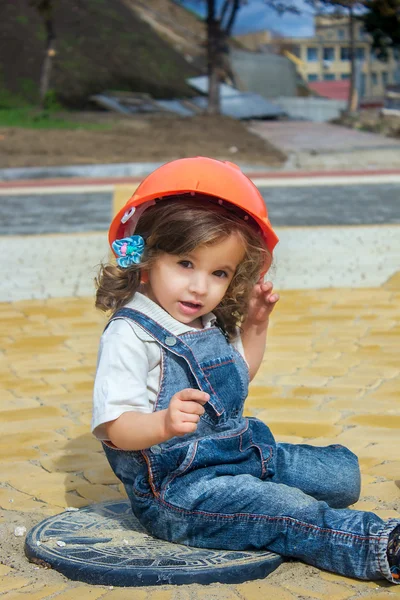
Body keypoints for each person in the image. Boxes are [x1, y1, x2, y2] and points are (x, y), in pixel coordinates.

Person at [92, 157, 400, 583]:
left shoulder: (204, 321)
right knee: (290, 514)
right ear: (147, 259)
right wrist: (163, 422)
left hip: (242, 455)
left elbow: (238, 377)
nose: (200, 287)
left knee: (342, 476)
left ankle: (265, 493)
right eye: (185, 264)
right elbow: (116, 427)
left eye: (218, 272)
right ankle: (377, 545)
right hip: (183, 492)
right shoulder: (131, 334)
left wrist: (256, 324)